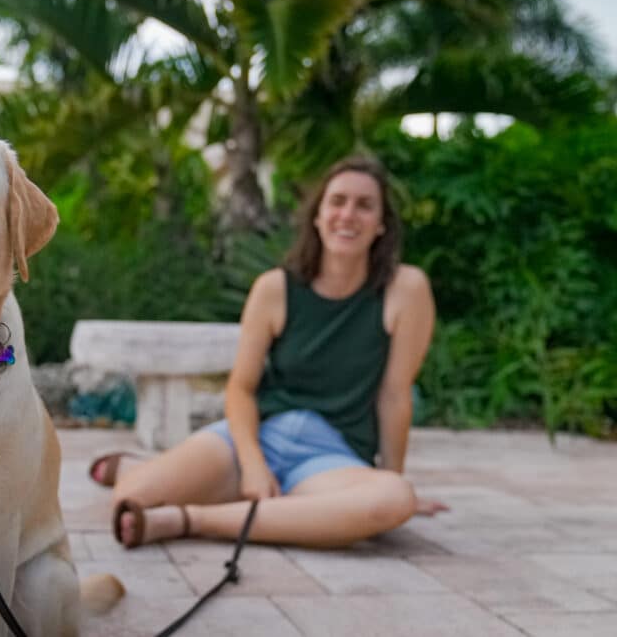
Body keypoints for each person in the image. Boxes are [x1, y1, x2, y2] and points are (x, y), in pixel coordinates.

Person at [89, 156, 448, 549]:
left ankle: (189, 519)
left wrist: (391, 478)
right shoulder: (274, 288)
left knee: (392, 499)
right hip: (260, 435)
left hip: (331, 455)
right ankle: (156, 476)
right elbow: (241, 389)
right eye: (337, 201)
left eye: (364, 205)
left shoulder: (405, 290)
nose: (348, 214)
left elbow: (394, 396)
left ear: (381, 224)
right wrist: (254, 465)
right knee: (131, 498)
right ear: (317, 215)